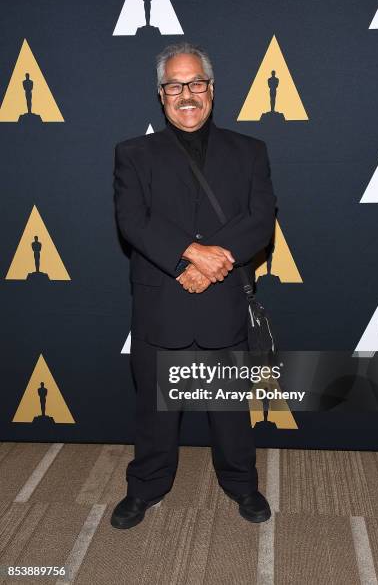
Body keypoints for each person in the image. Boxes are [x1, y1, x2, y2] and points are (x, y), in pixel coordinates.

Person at [111, 42, 277, 529]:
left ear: (211, 89)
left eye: (196, 83)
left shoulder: (250, 151)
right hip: (163, 300)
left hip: (222, 299)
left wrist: (206, 265)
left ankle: (242, 484)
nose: (187, 94)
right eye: (175, 85)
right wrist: (192, 254)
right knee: (155, 416)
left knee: (229, 412)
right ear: (161, 95)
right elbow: (132, 221)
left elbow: (260, 220)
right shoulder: (133, 154)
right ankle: (145, 487)